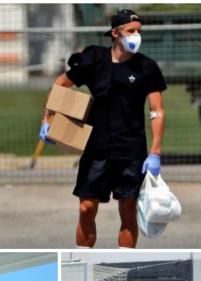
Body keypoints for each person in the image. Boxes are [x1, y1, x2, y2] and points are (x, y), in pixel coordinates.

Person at [39, 9, 167, 248]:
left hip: (131, 151)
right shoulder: (94, 59)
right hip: (97, 149)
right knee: (86, 207)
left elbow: (157, 111)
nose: (136, 36)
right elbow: (61, 85)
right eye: (131, 31)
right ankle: (82, 259)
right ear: (116, 33)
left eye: (139, 31)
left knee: (128, 209)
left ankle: (124, 261)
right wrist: (48, 120)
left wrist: (155, 153)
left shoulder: (146, 67)